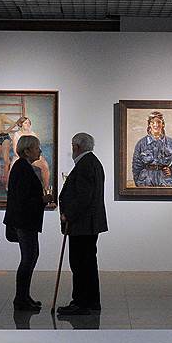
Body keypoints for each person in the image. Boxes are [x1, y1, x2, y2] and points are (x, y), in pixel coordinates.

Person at [57, 132, 108, 315]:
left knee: (80, 264)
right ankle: (91, 301)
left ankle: (81, 303)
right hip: (88, 224)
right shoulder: (92, 162)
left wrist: (68, 215)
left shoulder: (85, 164)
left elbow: (83, 197)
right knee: (88, 263)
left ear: (76, 147)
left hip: (82, 224)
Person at [3, 135, 52, 311]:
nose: (40, 150)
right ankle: (20, 299)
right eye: (37, 147)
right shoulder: (22, 168)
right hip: (24, 221)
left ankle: (24, 297)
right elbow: (22, 199)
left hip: (25, 221)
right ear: (27, 151)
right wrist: (43, 199)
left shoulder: (23, 167)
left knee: (30, 257)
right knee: (28, 258)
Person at [131, 111, 172, 187]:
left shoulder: (171, 143)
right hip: (145, 181)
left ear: (163, 124)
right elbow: (136, 165)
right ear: (149, 125)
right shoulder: (141, 143)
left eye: (158, 122)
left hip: (166, 181)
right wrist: (138, 182)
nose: (156, 125)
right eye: (152, 122)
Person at [10, 116, 51, 193]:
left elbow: (37, 148)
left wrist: (38, 157)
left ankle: (46, 188)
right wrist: (25, 158)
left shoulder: (33, 134)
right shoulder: (17, 134)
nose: (28, 124)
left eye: (29, 123)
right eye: (26, 123)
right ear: (21, 124)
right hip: (19, 156)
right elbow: (15, 150)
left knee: (44, 164)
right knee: (14, 168)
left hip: (32, 156)